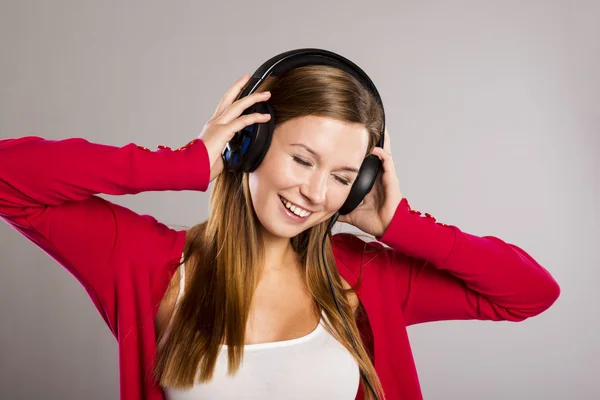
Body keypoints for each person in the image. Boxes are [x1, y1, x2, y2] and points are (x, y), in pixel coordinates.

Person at [0, 64, 560, 400]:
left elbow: (529, 293)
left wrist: (401, 226)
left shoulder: (364, 278)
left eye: (343, 176)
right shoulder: (146, 264)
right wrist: (188, 162)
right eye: (302, 159)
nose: (316, 193)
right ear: (251, 144)